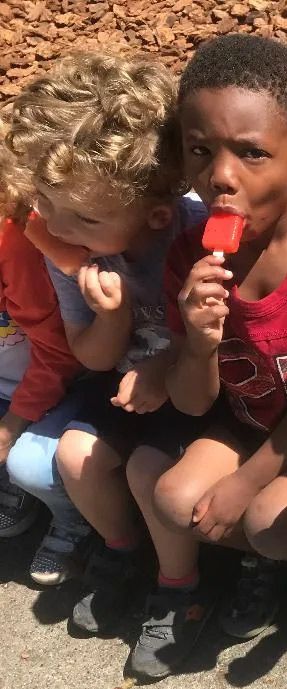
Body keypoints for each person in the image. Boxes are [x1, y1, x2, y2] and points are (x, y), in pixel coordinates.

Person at [124, 34, 287, 679]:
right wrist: (199, 343)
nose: (221, 176)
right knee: (175, 499)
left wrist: (245, 481)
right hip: (245, 418)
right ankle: (266, 558)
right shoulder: (191, 257)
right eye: (201, 151)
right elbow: (194, 401)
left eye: (252, 154)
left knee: (264, 523)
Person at [1, 52, 197, 589]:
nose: (58, 228)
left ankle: (177, 575)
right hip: (118, 384)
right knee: (73, 454)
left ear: (153, 215)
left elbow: (229, 338)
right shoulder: (74, 248)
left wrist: (163, 365)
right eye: (47, 204)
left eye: (83, 216)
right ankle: (119, 547)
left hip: (194, 388)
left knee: (148, 472)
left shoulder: (193, 235)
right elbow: (90, 354)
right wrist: (113, 316)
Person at [0, 124, 82, 545]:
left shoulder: (24, 247)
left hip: (52, 384)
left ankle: (73, 519)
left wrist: (12, 425)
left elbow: (59, 355)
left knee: (29, 465)